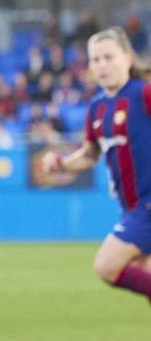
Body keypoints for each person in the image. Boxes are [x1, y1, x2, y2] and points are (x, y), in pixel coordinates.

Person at [42, 26, 151, 304]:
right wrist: (63, 164)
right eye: (95, 59)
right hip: (130, 208)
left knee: (107, 265)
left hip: (147, 206)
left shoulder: (144, 94)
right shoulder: (97, 109)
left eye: (108, 57)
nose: (102, 65)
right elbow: (90, 154)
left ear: (127, 58)